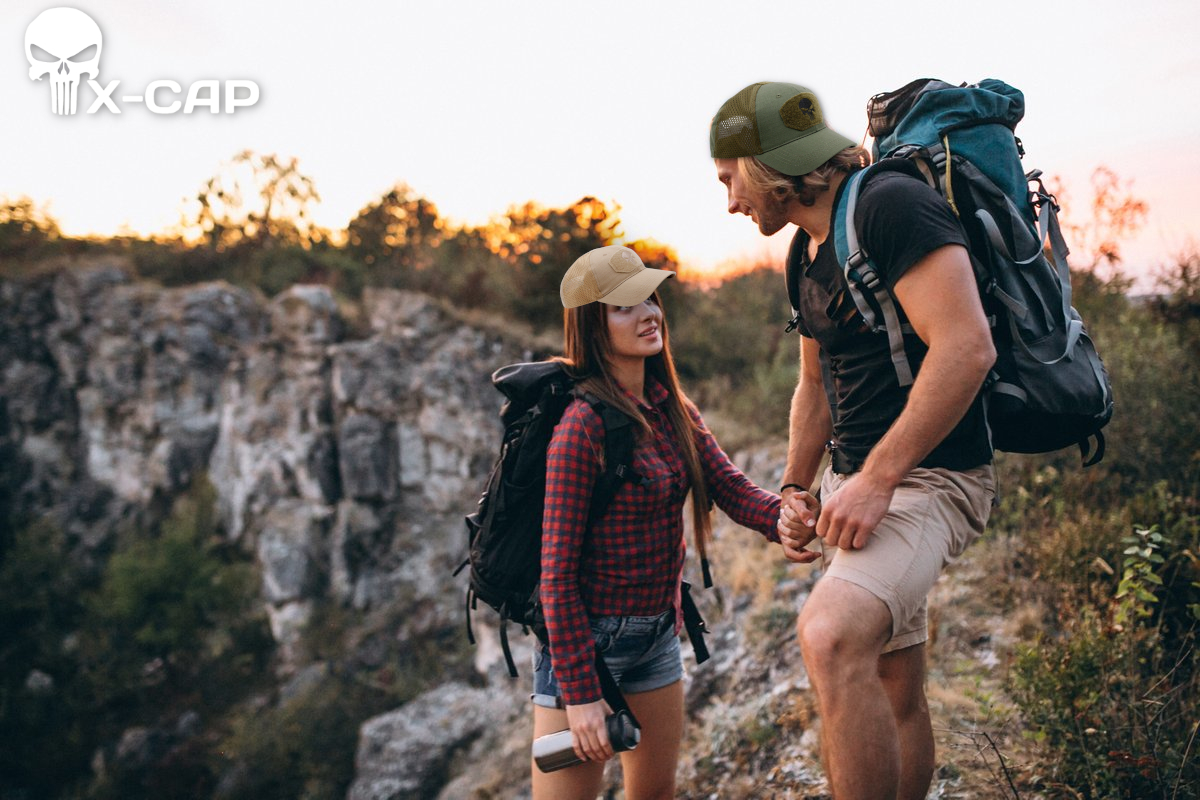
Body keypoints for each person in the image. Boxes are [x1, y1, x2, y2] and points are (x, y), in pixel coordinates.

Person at [710, 82, 998, 799]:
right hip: (861, 482)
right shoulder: (807, 248)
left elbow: (965, 348)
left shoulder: (889, 206)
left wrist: (875, 481)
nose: (730, 203)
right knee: (891, 685)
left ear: (766, 166)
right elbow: (816, 385)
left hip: (931, 480)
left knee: (831, 636)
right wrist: (797, 487)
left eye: (730, 180)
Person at [533, 244, 819, 800]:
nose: (647, 314)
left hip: (657, 636)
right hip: (587, 644)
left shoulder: (672, 409)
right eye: (623, 306)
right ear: (593, 325)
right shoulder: (580, 430)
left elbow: (729, 487)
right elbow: (555, 576)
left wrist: (784, 519)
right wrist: (581, 691)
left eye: (650, 298)